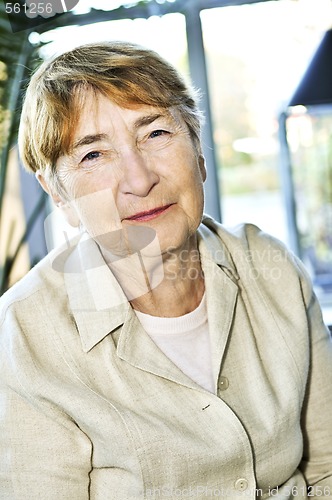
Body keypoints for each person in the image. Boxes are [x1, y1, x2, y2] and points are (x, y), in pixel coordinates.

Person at [0, 41, 331, 500]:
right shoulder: (25, 331)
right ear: (58, 193)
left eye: (155, 133)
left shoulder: (270, 265)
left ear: (197, 148)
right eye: (93, 154)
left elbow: (328, 468)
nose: (140, 180)